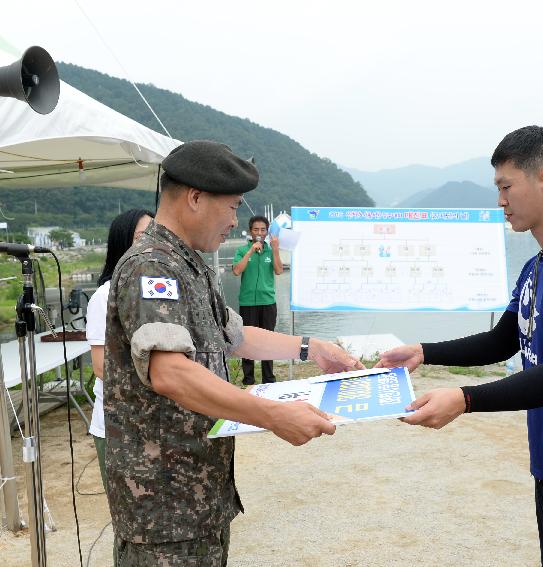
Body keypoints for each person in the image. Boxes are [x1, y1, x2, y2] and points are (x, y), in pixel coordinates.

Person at [377, 126, 543, 567]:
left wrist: (465, 399)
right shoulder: (538, 264)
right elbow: (502, 340)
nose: (500, 200)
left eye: (506, 186)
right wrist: (424, 351)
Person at [103, 140, 361, 566]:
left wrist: (311, 348)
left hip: (198, 492)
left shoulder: (189, 264)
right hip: (163, 504)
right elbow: (170, 373)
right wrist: (271, 414)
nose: (236, 220)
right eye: (232, 207)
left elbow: (234, 336)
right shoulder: (151, 266)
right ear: (195, 198)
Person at [85, 208, 153, 566]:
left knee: (154, 519)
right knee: (130, 521)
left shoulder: (154, 287)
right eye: (143, 235)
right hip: (118, 427)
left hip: (153, 424)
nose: (151, 242)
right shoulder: (106, 295)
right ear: (122, 241)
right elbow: (100, 366)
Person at [232, 215, 283, 385]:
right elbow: (237, 271)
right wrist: (250, 251)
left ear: (267, 231)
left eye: (262, 230)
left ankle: (269, 379)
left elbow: (279, 271)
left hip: (268, 302)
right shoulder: (242, 250)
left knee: (268, 341)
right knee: (247, 341)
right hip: (247, 303)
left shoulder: (271, 250)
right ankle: (248, 379)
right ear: (251, 231)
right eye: (256, 230)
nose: (259, 233)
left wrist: (275, 250)